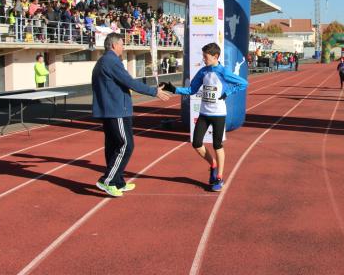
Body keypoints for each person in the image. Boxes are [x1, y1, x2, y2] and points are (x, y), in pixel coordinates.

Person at [92, 33, 171, 197]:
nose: (124, 47)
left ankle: (118, 182)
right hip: (117, 110)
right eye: (122, 44)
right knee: (126, 145)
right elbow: (130, 82)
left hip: (111, 110)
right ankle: (107, 180)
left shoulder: (104, 61)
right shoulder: (111, 61)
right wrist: (153, 91)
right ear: (114, 45)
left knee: (114, 146)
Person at [161, 43, 247, 192]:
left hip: (219, 114)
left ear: (215, 57)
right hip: (204, 113)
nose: (203, 59)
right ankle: (213, 164)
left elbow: (243, 83)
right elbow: (191, 90)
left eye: (205, 57)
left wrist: (228, 92)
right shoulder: (203, 72)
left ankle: (219, 177)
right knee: (196, 143)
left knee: (217, 145)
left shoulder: (223, 72)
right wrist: (173, 88)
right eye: (203, 56)